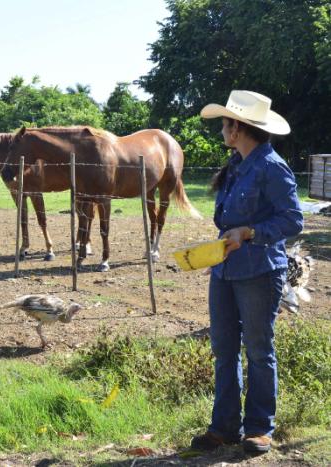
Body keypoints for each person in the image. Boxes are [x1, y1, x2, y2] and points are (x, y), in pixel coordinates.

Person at [191, 90, 304, 454]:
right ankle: (224, 427)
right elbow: (227, 220)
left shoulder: (271, 167)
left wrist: (250, 233)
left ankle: (259, 428)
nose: (222, 131)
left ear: (237, 128)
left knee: (258, 351)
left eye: (225, 125)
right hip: (225, 270)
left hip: (259, 272)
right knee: (224, 350)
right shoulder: (237, 167)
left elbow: (292, 220)